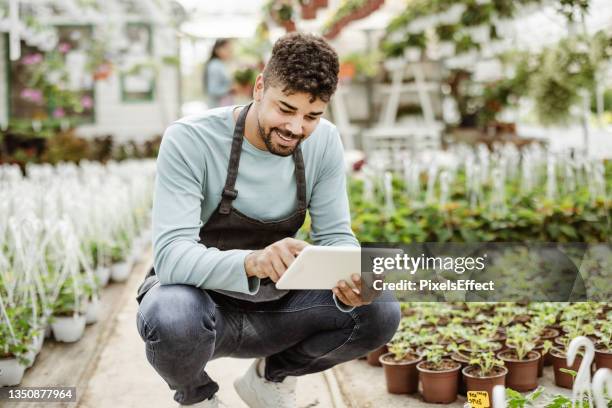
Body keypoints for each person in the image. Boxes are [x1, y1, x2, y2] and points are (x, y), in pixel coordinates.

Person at [135, 33, 401, 408]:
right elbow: (171, 258)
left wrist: (350, 277)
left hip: (279, 308)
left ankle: (269, 380)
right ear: (260, 88)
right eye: (285, 108)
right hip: (203, 309)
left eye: (312, 115)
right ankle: (197, 397)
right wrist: (252, 261)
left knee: (378, 310)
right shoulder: (190, 140)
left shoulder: (324, 142)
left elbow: (336, 235)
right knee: (171, 314)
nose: (296, 128)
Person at [203, 39, 234, 108]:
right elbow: (213, 90)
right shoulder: (215, 65)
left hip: (222, 107)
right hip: (217, 107)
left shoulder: (220, 64)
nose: (229, 51)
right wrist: (231, 89)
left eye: (230, 49)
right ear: (217, 50)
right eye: (226, 48)